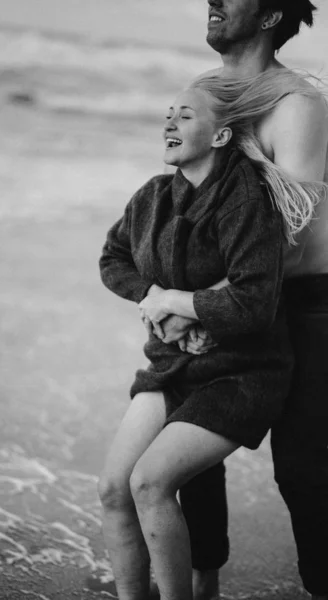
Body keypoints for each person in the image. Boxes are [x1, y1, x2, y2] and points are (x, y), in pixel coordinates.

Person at [98, 70, 323, 600]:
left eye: (186, 114)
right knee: (113, 489)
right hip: (174, 365)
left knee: (150, 483)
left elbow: (254, 301)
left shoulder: (248, 201)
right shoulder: (152, 196)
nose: (170, 121)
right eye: (167, 114)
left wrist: (182, 305)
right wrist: (150, 295)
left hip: (242, 374)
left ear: (220, 136)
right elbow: (112, 258)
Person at [150, 1, 328, 599]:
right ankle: (205, 586)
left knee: (304, 469)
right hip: (229, 295)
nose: (214, 2)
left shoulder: (297, 105)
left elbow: (296, 236)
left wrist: (200, 300)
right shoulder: (203, 93)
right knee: (189, 448)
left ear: (273, 13)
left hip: (308, 305)